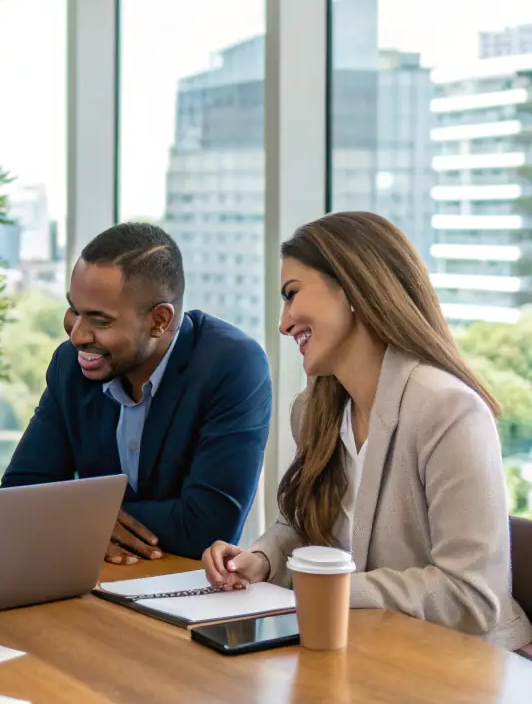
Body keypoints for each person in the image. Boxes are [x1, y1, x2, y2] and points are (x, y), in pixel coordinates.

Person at [203, 211, 532, 650]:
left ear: (353, 288)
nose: (283, 323)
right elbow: (302, 526)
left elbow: (470, 596)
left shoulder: (447, 410)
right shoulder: (314, 411)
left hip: (468, 670)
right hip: (369, 651)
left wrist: (330, 587)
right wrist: (261, 559)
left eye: (292, 294)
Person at [0, 222, 271, 562]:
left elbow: (205, 527)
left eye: (99, 320)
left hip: (194, 595)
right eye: (74, 311)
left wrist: (79, 515)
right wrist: (82, 516)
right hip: (98, 585)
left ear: (159, 320)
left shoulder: (232, 365)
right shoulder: (70, 366)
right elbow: (17, 497)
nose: (77, 335)